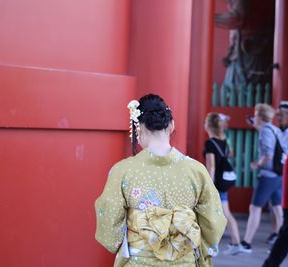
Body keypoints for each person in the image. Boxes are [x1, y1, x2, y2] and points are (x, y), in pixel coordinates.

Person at [95, 94, 227, 267]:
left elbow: (110, 226)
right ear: (171, 125)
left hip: (138, 262)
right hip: (184, 262)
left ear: (138, 128)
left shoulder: (122, 171)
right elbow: (213, 222)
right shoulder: (197, 170)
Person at [240, 103, 283, 253]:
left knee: (255, 207)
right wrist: (255, 125)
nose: (254, 116)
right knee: (277, 208)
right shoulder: (274, 129)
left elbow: (268, 155)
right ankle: (280, 238)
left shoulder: (265, 131)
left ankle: (246, 242)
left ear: (261, 116)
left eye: (256, 114)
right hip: (278, 174)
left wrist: (257, 165)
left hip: (268, 175)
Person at [203, 113, 242, 255]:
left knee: (221, 214)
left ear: (208, 125)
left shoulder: (209, 143)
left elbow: (211, 166)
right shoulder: (223, 142)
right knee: (224, 214)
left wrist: (209, 185)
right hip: (223, 182)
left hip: (216, 183)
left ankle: (234, 243)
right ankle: (235, 242)